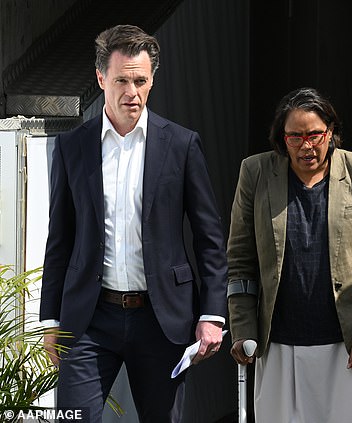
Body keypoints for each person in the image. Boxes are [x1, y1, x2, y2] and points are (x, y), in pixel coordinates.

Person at [39, 24, 228, 422]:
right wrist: (51, 319)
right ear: (100, 78)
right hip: (90, 319)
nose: (132, 92)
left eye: (141, 81)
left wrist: (212, 314)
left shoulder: (180, 144)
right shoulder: (73, 146)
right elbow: (61, 239)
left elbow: (209, 238)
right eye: (122, 80)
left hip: (161, 319)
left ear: (152, 80)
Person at [227, 87, 352, 422]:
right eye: (294, 136)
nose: (306, 146)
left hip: (349, 344)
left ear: (331, 132)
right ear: (282, 138)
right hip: (279, 344)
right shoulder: (256, 173)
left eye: (315, 134)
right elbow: (239, 260)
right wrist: (242, 328)